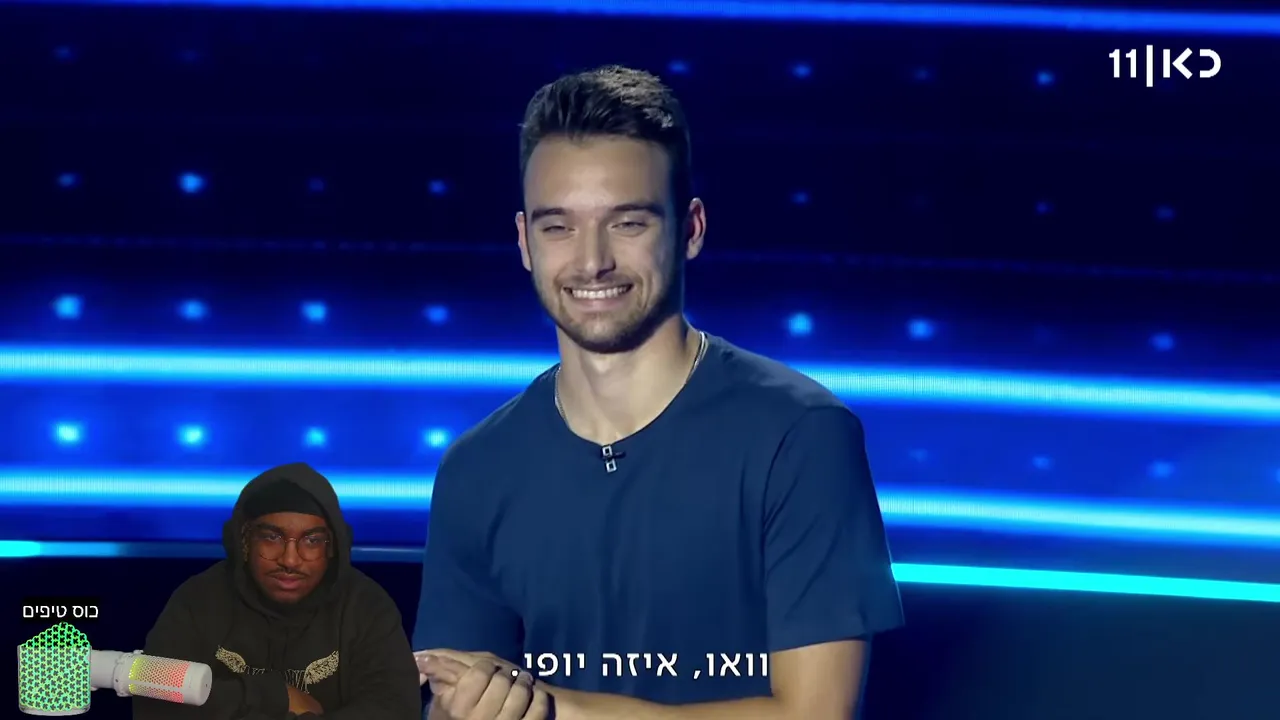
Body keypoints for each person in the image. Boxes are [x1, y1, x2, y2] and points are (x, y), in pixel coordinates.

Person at [413, 65, 904, 720]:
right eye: (559, 227)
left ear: (690, 228)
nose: (592, 261)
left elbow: (815, 715)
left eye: (627, 223)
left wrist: (554, 710)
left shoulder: (801, 435)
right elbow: (450, 698)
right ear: (525, 241)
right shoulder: (477, 469)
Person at [134, 462, 421, 720]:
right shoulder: (197, 601)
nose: (290, 560)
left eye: (312, 541)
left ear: (333, 546)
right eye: (272, 538)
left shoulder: (366, 607)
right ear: (244, 541)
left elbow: (396, 710)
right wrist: (273, 695)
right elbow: (153, 697)